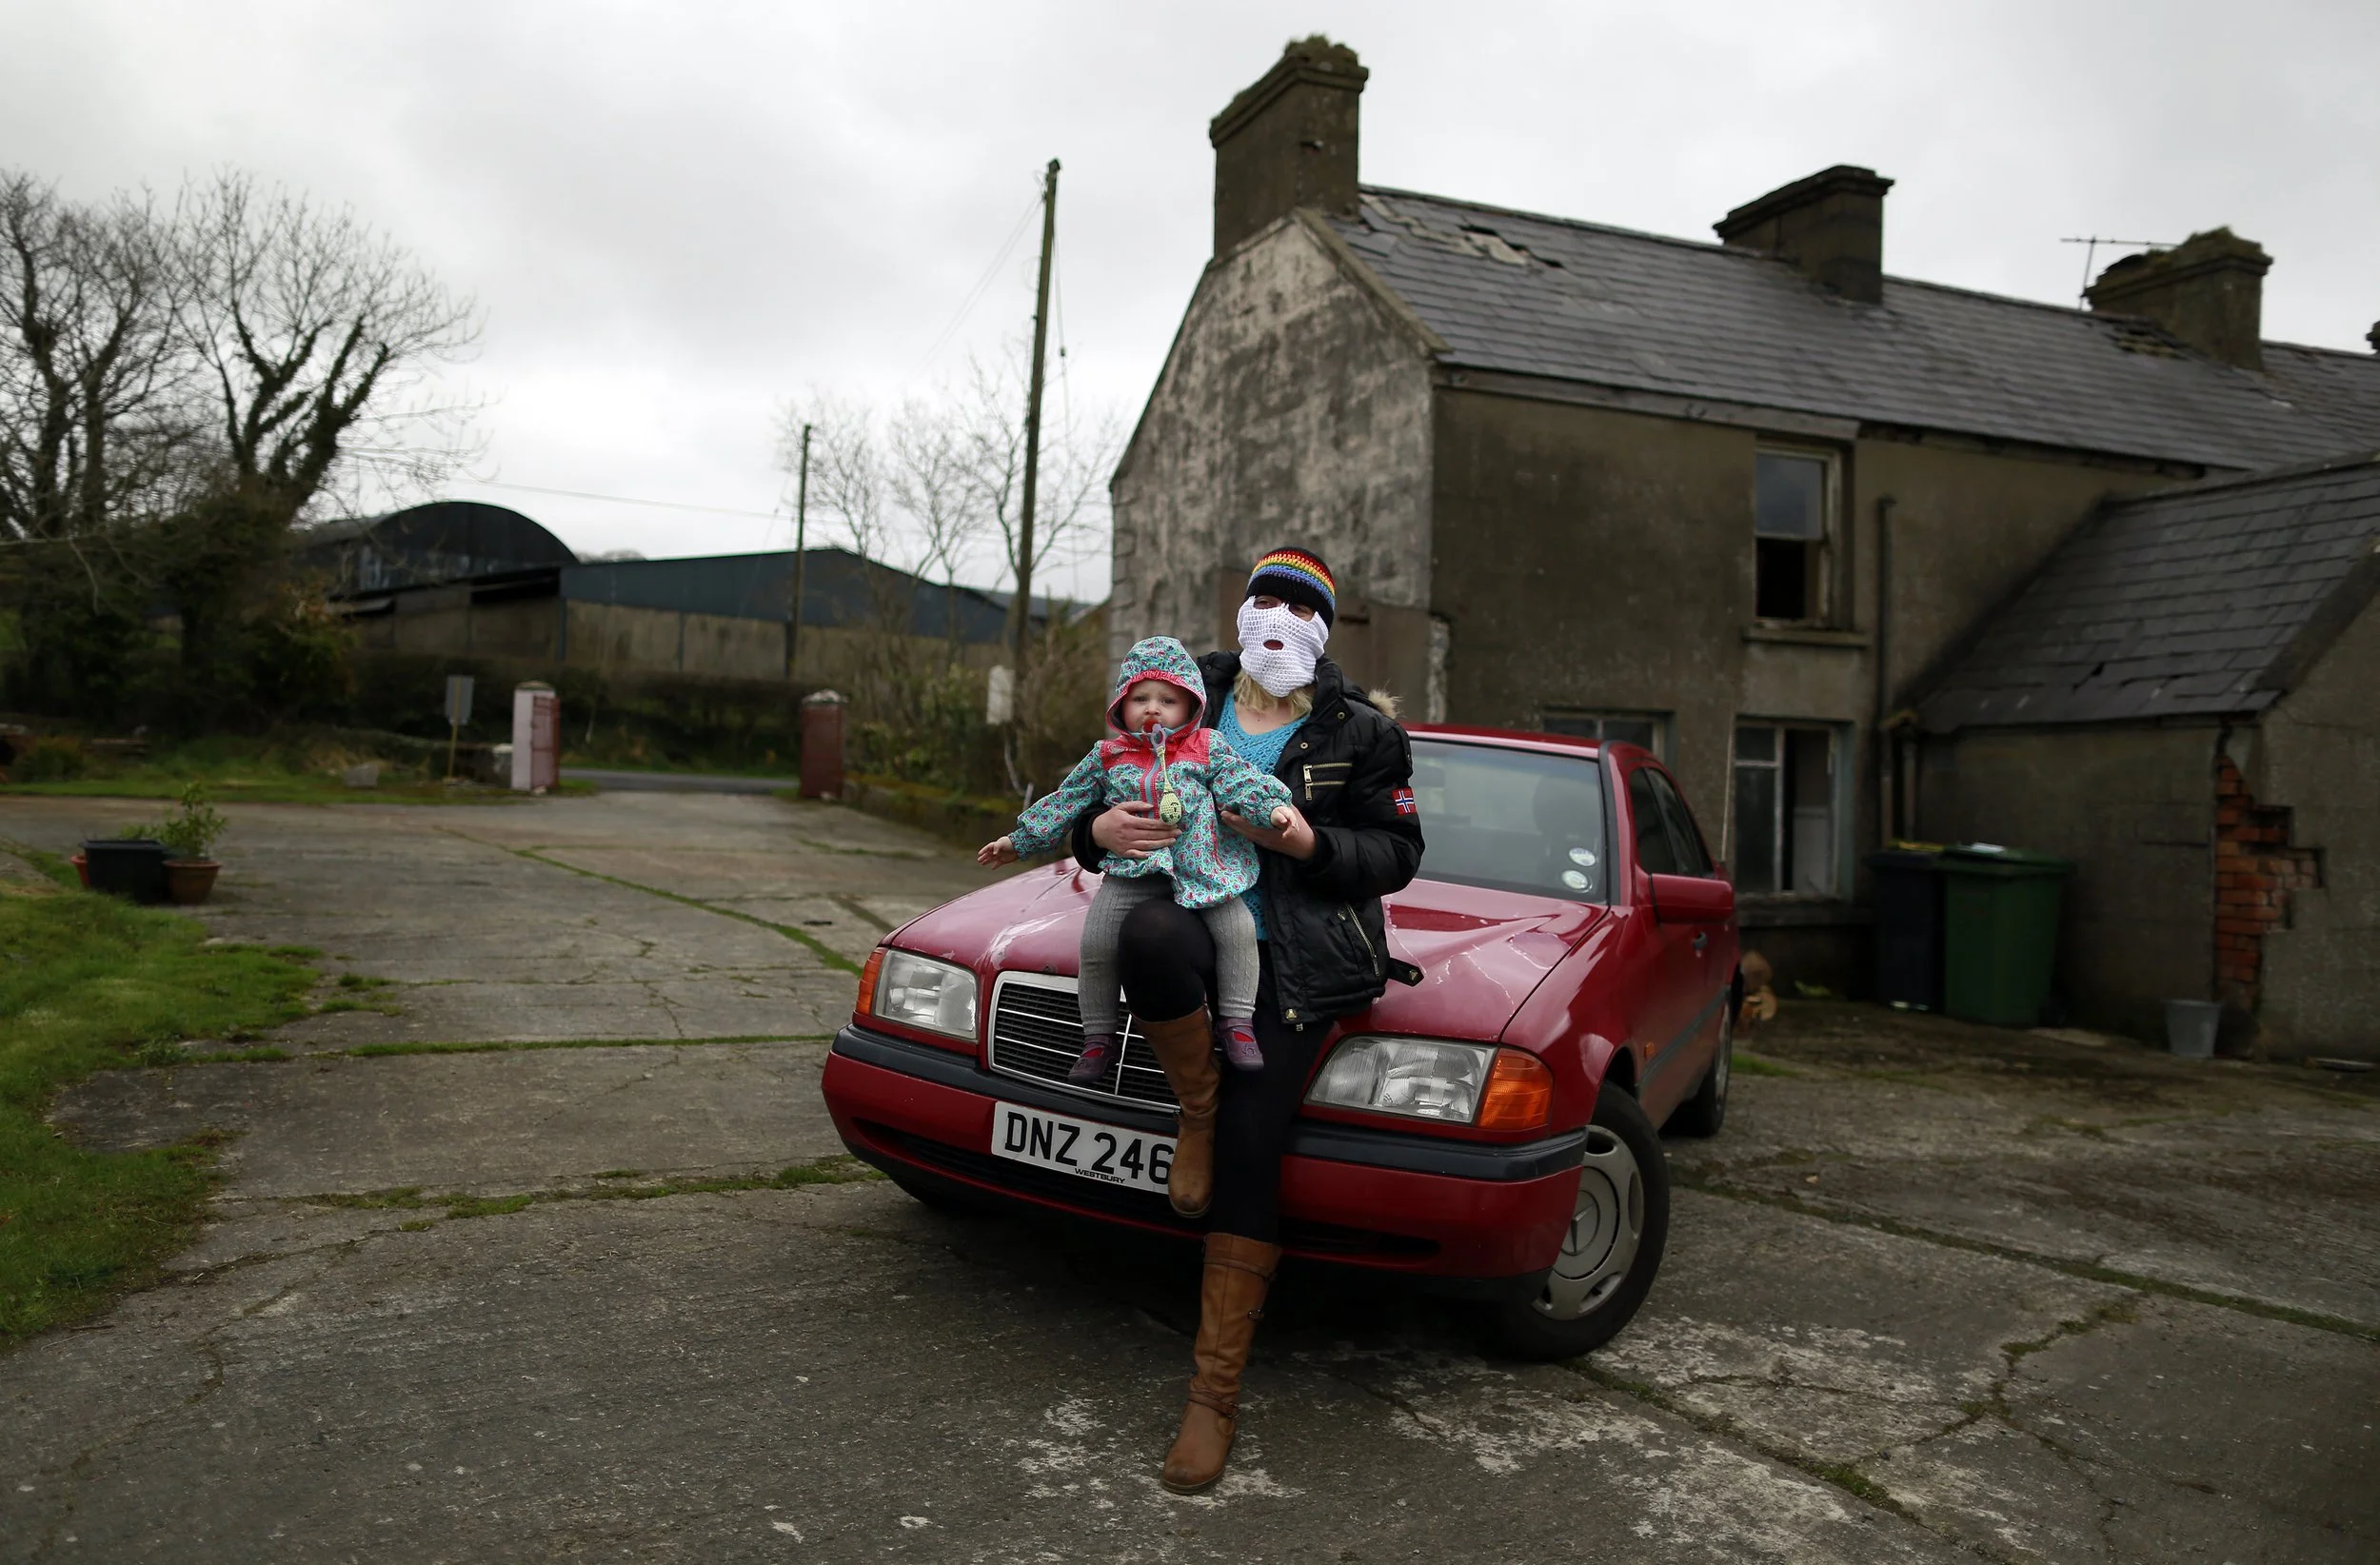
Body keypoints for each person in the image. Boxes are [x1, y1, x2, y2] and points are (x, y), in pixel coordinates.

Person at [1068, 546, 1422, 1495]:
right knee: (1143, 933)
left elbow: (1396, 852)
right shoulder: (1185, 692)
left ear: (1324, 626)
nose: (1277, 617)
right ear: (1241, 609)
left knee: (1253, 1146)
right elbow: (1087, 786)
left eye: (1300, 606)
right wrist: (1095, 832)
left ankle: (1212, 1396)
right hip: (1192, 921)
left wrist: (1304, 840)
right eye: (1265, 596)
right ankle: (1197, 1105)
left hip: (1296, 963)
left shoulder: (1363, 730)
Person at [979, 636, 1294, 1082]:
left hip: (1204, 869)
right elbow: (1066, 800)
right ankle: (1098, 1037)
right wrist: (1020, 840)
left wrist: (1272, 808)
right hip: (1132, 871)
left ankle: (1237, 1023)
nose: (1153, 709)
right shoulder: (1108, 756)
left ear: (1191, 706)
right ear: (1121, 705)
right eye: (1140, 698)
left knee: (1238, 930)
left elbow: (1241, 782)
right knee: (1097, 943)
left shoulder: (1207, 746)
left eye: (1168, 700)